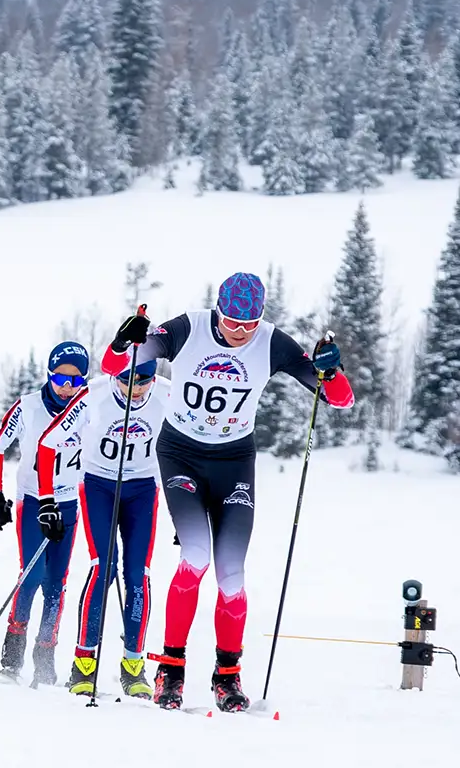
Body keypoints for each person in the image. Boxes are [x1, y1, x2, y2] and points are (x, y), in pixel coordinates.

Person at [106, 273, 352, 711]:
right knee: (195, 555)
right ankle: (170, 670)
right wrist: (125, 341)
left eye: (249, 324)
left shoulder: (273, 342)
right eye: (232, 322)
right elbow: (115, 366)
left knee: (232, 575)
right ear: (218, 311)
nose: (240, 332)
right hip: (181, 454)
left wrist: (330, 371)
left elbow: (338, 399)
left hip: (234, 461)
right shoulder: (188, 328)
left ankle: (227, 675)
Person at [34, 353, 162, 698]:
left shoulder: (167, 394)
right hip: (98, 486)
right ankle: (84, 664)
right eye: (126, 381)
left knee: (138, 574)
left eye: (144, 382)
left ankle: (133, 666)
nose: (135, 390)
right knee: (103, 567)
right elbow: (47, 443)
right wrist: (46, 500)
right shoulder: (93, 394)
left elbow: (186, 445)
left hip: (143, 489)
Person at [0, 341, 90, 686]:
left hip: (68, 502)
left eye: (76, 380)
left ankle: (45, 661)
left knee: (56, 584)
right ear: (49, 374)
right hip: (32, 501)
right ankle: (12, 659)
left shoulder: (90, 408)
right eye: (60, 378)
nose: (67, 387)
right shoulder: (28, 406)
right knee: (31, 576)